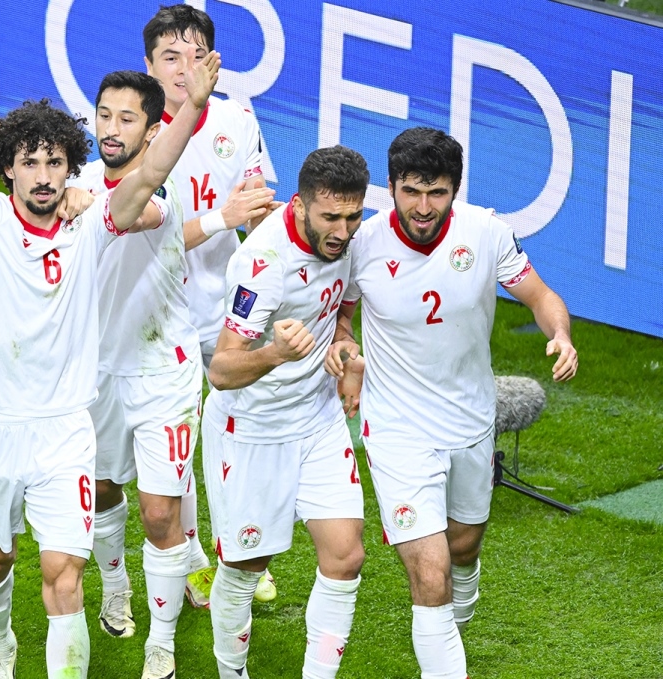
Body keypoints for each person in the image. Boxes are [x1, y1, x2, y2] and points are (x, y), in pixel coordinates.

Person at [0, 39, 219, 679]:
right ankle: (0, 641)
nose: (42, 175)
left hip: (63, 430)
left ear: (69, 170)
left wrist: (192, 110)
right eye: (29, 162)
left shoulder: (92, 226)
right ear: (8, 169)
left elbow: (149, 174)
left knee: (64, 574)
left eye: (54, 162)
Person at [336, 127, 579, 679]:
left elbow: (540, 296)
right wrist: (346, 350)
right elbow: (342, 317)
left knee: (463, 550)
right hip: (397, 429)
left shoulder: (486, 233)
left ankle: (454, 624)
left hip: (470, 420)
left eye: (437, 193)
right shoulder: (364, 244)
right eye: (411, 192)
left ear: (455, 189)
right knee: (430, 571)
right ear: (391, 187)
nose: (423, 208)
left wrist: (561, 335)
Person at [202, 146, 370, 679]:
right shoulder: (263, 266)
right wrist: (277, 354)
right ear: (299, 205)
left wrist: (343, 347)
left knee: (345, 556)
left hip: (318, 420)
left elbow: (342, 311)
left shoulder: (348, 242)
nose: (342, 231)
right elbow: (221, 370)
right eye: (330, 217)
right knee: (246, 567)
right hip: (252, 429)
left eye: (352, 216)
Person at [142, 1, 280, 609]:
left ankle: (241, 549)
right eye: (170, 57)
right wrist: (224, 216)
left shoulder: (237, 119)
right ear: (149, 65)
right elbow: (141, 231)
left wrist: (269, 247)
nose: (184, 69)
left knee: (243, 434)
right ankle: (198, 562)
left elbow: (257, 211)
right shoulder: (137, 127)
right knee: (180, 445)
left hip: (228, 311)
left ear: (214, 63)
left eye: (196, 56)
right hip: (160, 314)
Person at [69, 70, 202, 679]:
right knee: (100, 491)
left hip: (161, 374)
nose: (112, 129)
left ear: (152, 131)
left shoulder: (161, 187)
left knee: (159, 514)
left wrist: (81, 202)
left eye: (127, 119)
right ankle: (116, 586)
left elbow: (139, 211)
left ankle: (161, 646)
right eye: (104, 115)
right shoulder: (77, 177)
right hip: (94, 370)